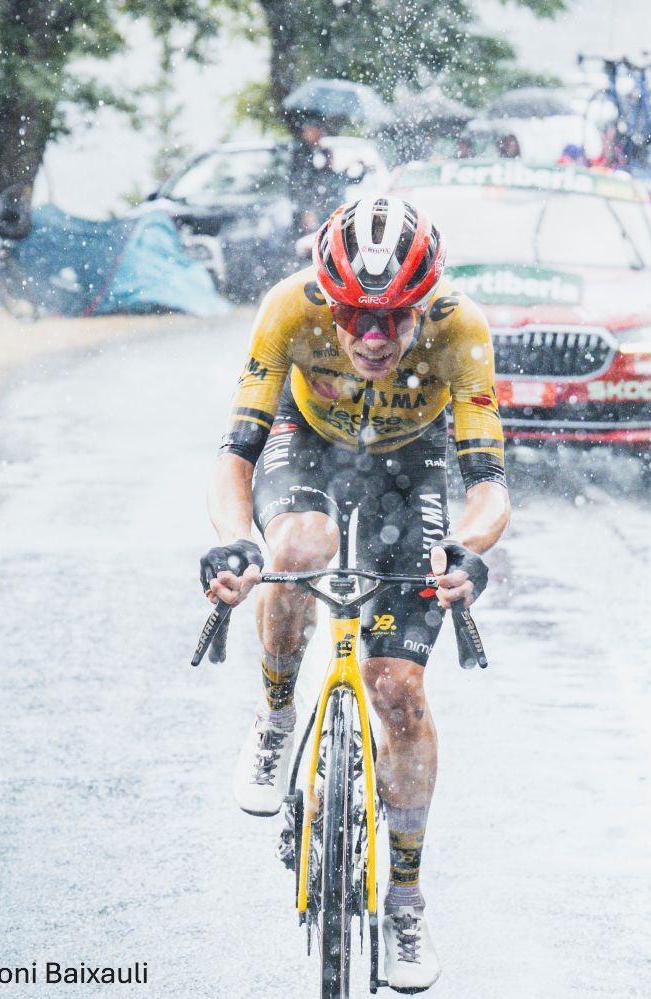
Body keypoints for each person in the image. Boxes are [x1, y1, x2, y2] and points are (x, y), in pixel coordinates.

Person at [200, 196, 511, 993]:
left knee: (398, 689)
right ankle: (275, 713)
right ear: (326, 298)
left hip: (414, 463)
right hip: (308, 443)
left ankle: (405, 895)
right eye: (354, 316)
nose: (373, 338)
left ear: (427, 301)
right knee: (298, 546)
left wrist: (468, 551)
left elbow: (488, 485)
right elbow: (235, 453)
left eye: (395, 318)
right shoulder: (287, 308)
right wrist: (237, 537)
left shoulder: (461, 328)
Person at [287, 115, 343, 235]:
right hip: (310, 211)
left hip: (327, 207)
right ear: (305, 132)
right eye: (315, 129)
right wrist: (306, 211)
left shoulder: (324, 151)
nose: (319, 133)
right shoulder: (300, 154)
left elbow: (332, 179)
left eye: (320, 129)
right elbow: (298, 184)